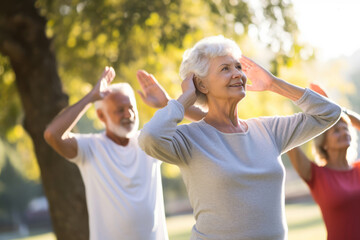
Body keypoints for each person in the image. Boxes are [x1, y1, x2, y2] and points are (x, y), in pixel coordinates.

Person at [138, 35, 342, 240]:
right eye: (225, 69)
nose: (237, 74)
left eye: (238, 67)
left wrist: (273, 84)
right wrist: (183, 100)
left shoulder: (268, 130)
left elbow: (329, 113)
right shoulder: (190, 139)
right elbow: (148, 138)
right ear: (201, 85)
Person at [43, 67, 175, 240]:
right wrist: (91, 97)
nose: (129, 114)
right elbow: (52, 134)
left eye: (131, 108)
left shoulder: (148, 141)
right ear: (101, 116)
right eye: (120, 110)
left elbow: (190, 129)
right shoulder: (90, 147)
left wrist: (167, 104)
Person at [287, 84, 360, 240]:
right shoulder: (316, 175)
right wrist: (312, 105)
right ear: (324, 143)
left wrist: (337, 110)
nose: (344, 132)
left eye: (346, 128)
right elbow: (288, 140)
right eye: (336, 130)